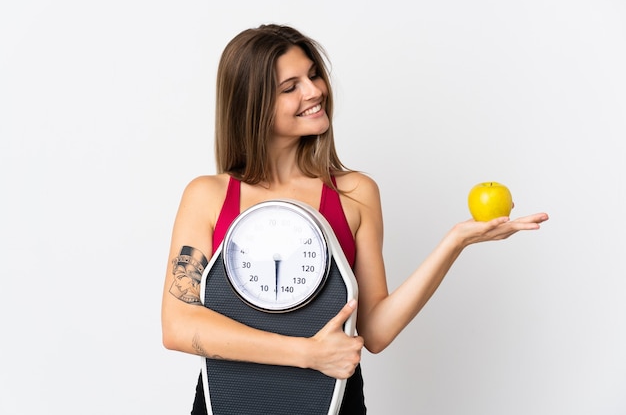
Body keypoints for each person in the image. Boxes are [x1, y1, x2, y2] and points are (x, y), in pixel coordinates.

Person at [161, 24, 549, 414]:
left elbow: (375, 331)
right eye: (289, 86)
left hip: (334, 405)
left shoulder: (355, 193)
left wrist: (454, 242)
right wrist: (307, 354)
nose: (315, 91)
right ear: (252, 103)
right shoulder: (209, 196)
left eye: (313, 75)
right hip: (228, 403)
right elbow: (178, 326)